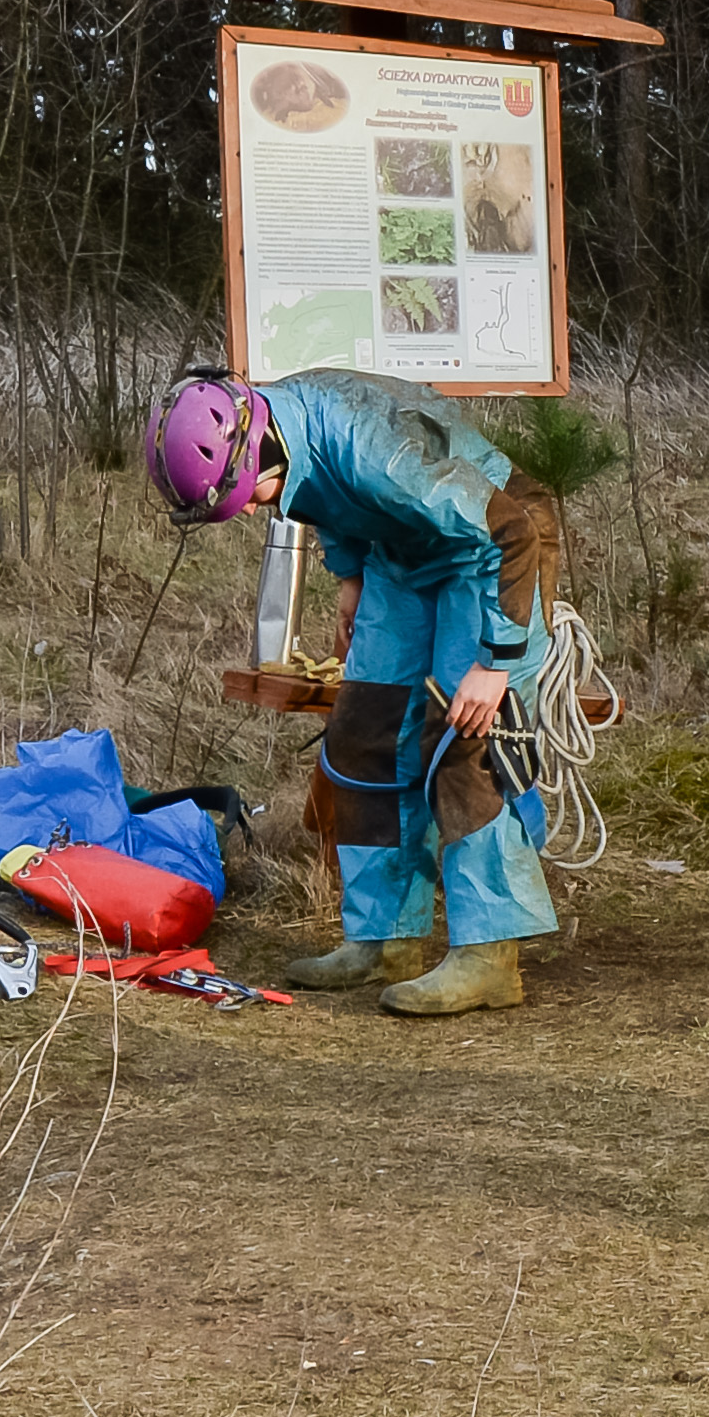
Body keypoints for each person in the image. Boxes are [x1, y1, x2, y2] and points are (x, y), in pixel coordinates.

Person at [146, 367, 555, 1018]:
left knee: (465, 742)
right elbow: (322, 493)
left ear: (262, 448)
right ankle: (384, 937)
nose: (255, 509)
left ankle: (489, 955)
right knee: (365, 730)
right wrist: (349, 576)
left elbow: (509, 530)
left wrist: (495, 662)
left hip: (490, 551)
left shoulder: (377, 449)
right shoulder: (281, 427)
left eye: (252, 494)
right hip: (402, 551)